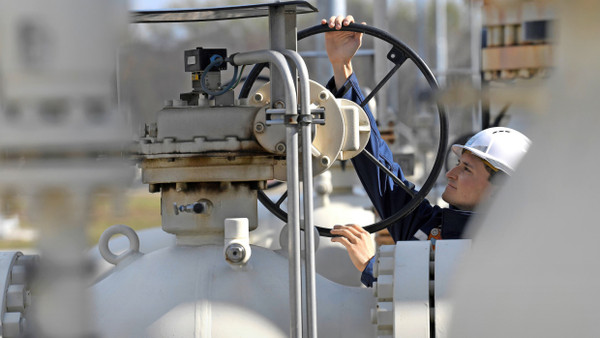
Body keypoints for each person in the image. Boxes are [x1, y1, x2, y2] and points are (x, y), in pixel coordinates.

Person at [323, 15, 531, 287]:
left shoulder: (502, 257)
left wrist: (373, 267)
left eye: (466, 168)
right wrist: (342, 66)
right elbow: (379, 166)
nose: (451, 173)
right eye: (459, 162)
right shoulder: (430, 227)